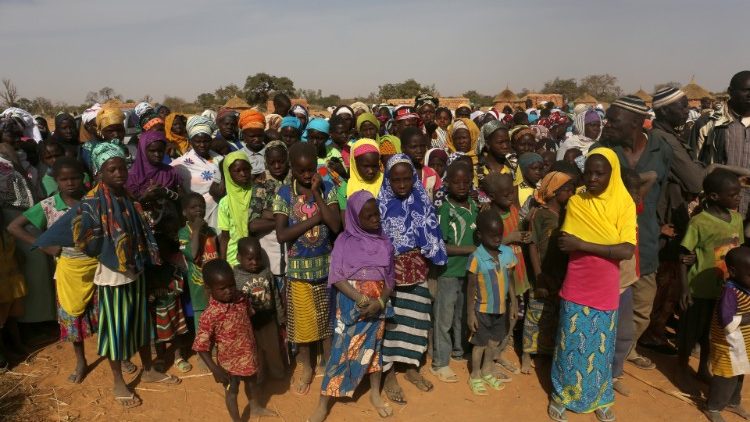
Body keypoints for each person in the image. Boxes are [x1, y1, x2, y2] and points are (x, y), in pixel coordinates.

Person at [58, 143, 180, 407]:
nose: (119, 173)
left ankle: (148, 369)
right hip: (112, 278)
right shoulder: (92, 202)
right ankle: (118, 382)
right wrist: (110, 253)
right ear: (99, 172)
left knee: (141, 325)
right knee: (116, 332)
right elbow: (83, 239)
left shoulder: (127, 196)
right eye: (111, 169)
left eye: (122, 168)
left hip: (135, 272)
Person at [548, 148, 636, 422]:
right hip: (578, 279)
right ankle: (561, 395)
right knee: (570, 342)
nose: (593, 178)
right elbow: (566, 242)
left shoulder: (624, 203)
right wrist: (607, 243)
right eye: (589, 173)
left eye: (600, 173)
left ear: (613, 174)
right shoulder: (577, 202)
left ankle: (600, 396)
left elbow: (626, 250)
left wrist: (583, 244)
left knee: (601, 345)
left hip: (606, 284)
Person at [598, 95, 673, 371]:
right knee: (609, 305)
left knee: (642, 308)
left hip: (646, 243)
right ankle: (607, 359)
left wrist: (659, 222)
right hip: (609, 243)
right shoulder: (602, 150)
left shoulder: (661, 149)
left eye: (613, 120)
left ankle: (624, 351)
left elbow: (666, 189)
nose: (607, 124)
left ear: (635, 122)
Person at [308, 191, 395, 422]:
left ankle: (375, 394)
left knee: (374, 351)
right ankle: (323, 403)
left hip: (377, 307)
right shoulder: (344, 243)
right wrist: (361, 299)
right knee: (340, 352)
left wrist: (380, 302)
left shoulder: (384, 242)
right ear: (355, 218)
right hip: (351, 305)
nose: (375, 219)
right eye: (368, 216)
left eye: (376, 214)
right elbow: (337, 277)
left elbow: (389, 280)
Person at [8, 157, 94, 382]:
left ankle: (117, 356)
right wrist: (44, 245)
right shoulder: (48, 206)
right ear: (55, 180)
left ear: (83, 178)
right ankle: (81, 360)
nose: (70, 183)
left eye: (75, 177)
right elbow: (14, 227)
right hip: (67, 272)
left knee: (105, 313)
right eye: (64, 179)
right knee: (72, 317)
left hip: (98, 267)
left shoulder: (93, 200)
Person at [378, 154, 447, 404]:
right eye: (396, 180)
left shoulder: (422, 201)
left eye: (407, 179)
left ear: (414, 178)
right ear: (388, 179)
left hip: (418, 271)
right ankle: (388, 374)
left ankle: (411, 367)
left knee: (417, 320)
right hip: (390, 275)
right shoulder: (380, 205)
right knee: (390, 323)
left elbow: (432, 233)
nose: (402, 184)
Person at [273, 142, 341, 395]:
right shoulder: (284, 193)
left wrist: (317, 195)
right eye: (301, 170)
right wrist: (315, 219)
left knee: (327, 323)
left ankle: (329, 364)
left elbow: (335, 225)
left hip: (326, 268)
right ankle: (307, 367)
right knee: (303, 325)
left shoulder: (327, 188)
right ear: (292, 168)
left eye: (311, 169)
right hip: (299, 271)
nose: (306, 174)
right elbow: (282, 235)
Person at [677, 170, 744, 389]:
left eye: (739, 193)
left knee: (711, 333)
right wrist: (684, 289)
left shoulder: (737, 219)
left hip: (724, 290)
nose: (738, 197)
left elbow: (738, 251)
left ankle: (703, 368)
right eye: (733, 194)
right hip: (699, 289)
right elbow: (683, 256)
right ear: (714, 196)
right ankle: (681, 368)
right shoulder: (699, 222)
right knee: (690, 331)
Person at [193, 259, 276, 422]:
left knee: (252, 383)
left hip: (248, 355)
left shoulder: (241, 298)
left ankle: (255, 408)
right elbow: (201, 347)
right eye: (222, 288)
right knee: (232, 392)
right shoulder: (210, 315)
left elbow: (249, 319)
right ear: (209, 288)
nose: (229, 291)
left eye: (231, 285)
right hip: (228, 364)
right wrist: (215, 369)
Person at [521, 171, 574, 374]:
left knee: (553, 315)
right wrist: (539, 277)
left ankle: (545, 353)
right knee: (535, 314)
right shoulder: (540, 214)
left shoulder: (569, 214)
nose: (570, 194)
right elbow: (533, 245)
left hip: (561, 273)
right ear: (553, 191)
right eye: (566, 190)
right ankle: (527, 354)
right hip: (542, 272)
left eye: (571, 190)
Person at [431, 160, 477, 383]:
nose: (462, 186)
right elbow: (441, 246)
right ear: (447, 183)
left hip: (469, 272)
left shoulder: (474, 206)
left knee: (462, 314)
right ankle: (440, 362)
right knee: (444, 318)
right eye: (456, 182)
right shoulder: (445, 209)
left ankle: (459, 350)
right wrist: (471, 249)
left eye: (466, 182)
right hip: (448, 271)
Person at [481, 172, 530, 377]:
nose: (511, 197)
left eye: (512, 193)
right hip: (500, 275)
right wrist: (510, 238)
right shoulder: (489, 216)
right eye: (506, 194)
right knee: (498, 317)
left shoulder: (514, 210)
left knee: (513, 316)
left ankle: (498, 352)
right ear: (492, 196)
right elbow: (486, 245)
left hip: (518, 272)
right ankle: (489, 358)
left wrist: (524, 237)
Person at [466, 209, 517, 396]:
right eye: (492, 235)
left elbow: (510, 280)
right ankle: (475, 375)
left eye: (500, 234)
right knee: (479, 344)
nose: (497, 239)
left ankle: (487, 370)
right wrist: (470, 314)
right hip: (482, 310)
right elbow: (470, 288)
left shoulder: (507, 253)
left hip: (501, 309)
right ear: (480, 235)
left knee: (494, 343)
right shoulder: (476, 257)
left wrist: (514, 303)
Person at [705, 246, 750, 422]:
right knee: (726, 376)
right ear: (733, 272)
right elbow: (727, 322)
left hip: (742, 343)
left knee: (740, 372)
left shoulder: (745, 286)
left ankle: (733, 401)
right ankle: (713, 407)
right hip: (727, 345)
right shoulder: (730, 293)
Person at [233, 237, 285, 381]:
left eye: (258, 258)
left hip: (268, 319)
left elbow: (275, 295)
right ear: (239, 257)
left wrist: (280, 316)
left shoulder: (266, 272)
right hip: (249, 323)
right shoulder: (235, 277)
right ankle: (259, 378)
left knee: (273, 349)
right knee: (255, 351)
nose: (254, 262)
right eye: (250, 259)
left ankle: (278, 374)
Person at [698, 71, 750, 215]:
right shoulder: (709, 124)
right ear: (730, 92)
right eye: (746, 90)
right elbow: (696, 163)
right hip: (718, 211)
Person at [170, 116, 223, 231]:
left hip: (223, 212)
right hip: (198, 214)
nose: (202, 145)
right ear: (190, 141)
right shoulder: (180, 164)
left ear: (211, 140)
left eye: (206, 141)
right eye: (198, 141)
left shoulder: (220, 159)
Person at [178, 192, 219, 334]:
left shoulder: (211, 231)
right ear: (184, 212)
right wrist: (196, 230)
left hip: (215, 286)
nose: (198, 210)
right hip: (198, 289)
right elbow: (193, 254)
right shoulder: (183, 233)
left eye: (202, 206)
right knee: (203, 330)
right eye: (193, 207)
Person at [218, 151, 254, 267]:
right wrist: (223, 262)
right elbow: (225, 236)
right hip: (234, 258)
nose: (243, 174)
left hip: (257, 256)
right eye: (237, 171)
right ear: (228, 173)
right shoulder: (225, 202)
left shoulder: (257, 193)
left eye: (246, 169)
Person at [337, 138, 382, 212]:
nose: (371, 171)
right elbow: (347, 218)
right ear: (355, 164)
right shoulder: (345, 189)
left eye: (374, 166)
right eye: (365, 166)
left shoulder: (386, 182)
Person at [401, 127, 442, 200]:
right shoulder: (397, 173)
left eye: (422, 146)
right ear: (403, 148)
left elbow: (438, 199)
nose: (419, 150)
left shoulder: (431, 174)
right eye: (414, 147)